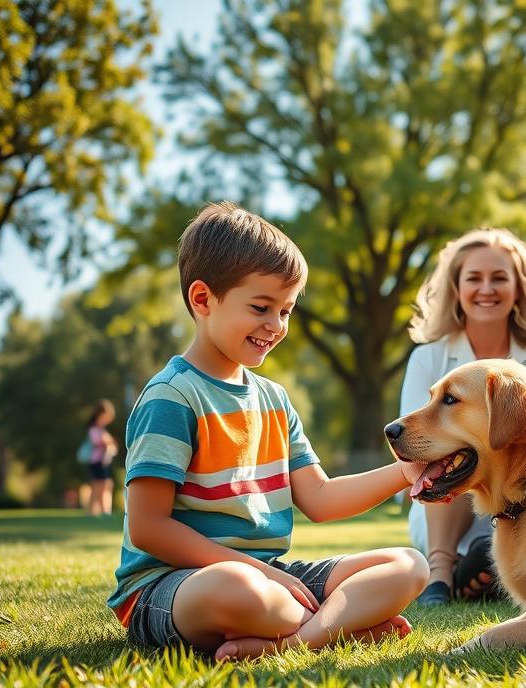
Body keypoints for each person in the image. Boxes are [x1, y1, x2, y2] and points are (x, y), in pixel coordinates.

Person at [107, 201, 429, 661]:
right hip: (171, 585)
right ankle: (341, 626)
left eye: (287, 311)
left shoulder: (274, 400)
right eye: (261, 307)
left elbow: (319, 497)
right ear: (203, 300)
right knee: (240, 588)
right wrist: (264, 575)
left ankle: (296, 640)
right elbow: (148, 528)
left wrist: (407, 470)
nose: (275, 326)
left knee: (407, 565)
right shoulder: (172, 397)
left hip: (270, 576)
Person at [400, 227, 526, 606]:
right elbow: (415, 443)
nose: (487, 288)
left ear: (518, 289)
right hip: (448, 513)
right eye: (474, 278)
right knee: (449, 458)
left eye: (499, 278)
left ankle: (487, 569)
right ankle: (441, 573)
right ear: (457, 288)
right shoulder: (429, 357)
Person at [85, 399, 118, 517]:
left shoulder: (102, 430)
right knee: (98, 485)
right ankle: (94, 511)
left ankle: (103, 510)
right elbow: (98, 442)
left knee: (105, 484)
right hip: (97, 461)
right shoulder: (94, 429)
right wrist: (107, 443)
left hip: (103, 461)